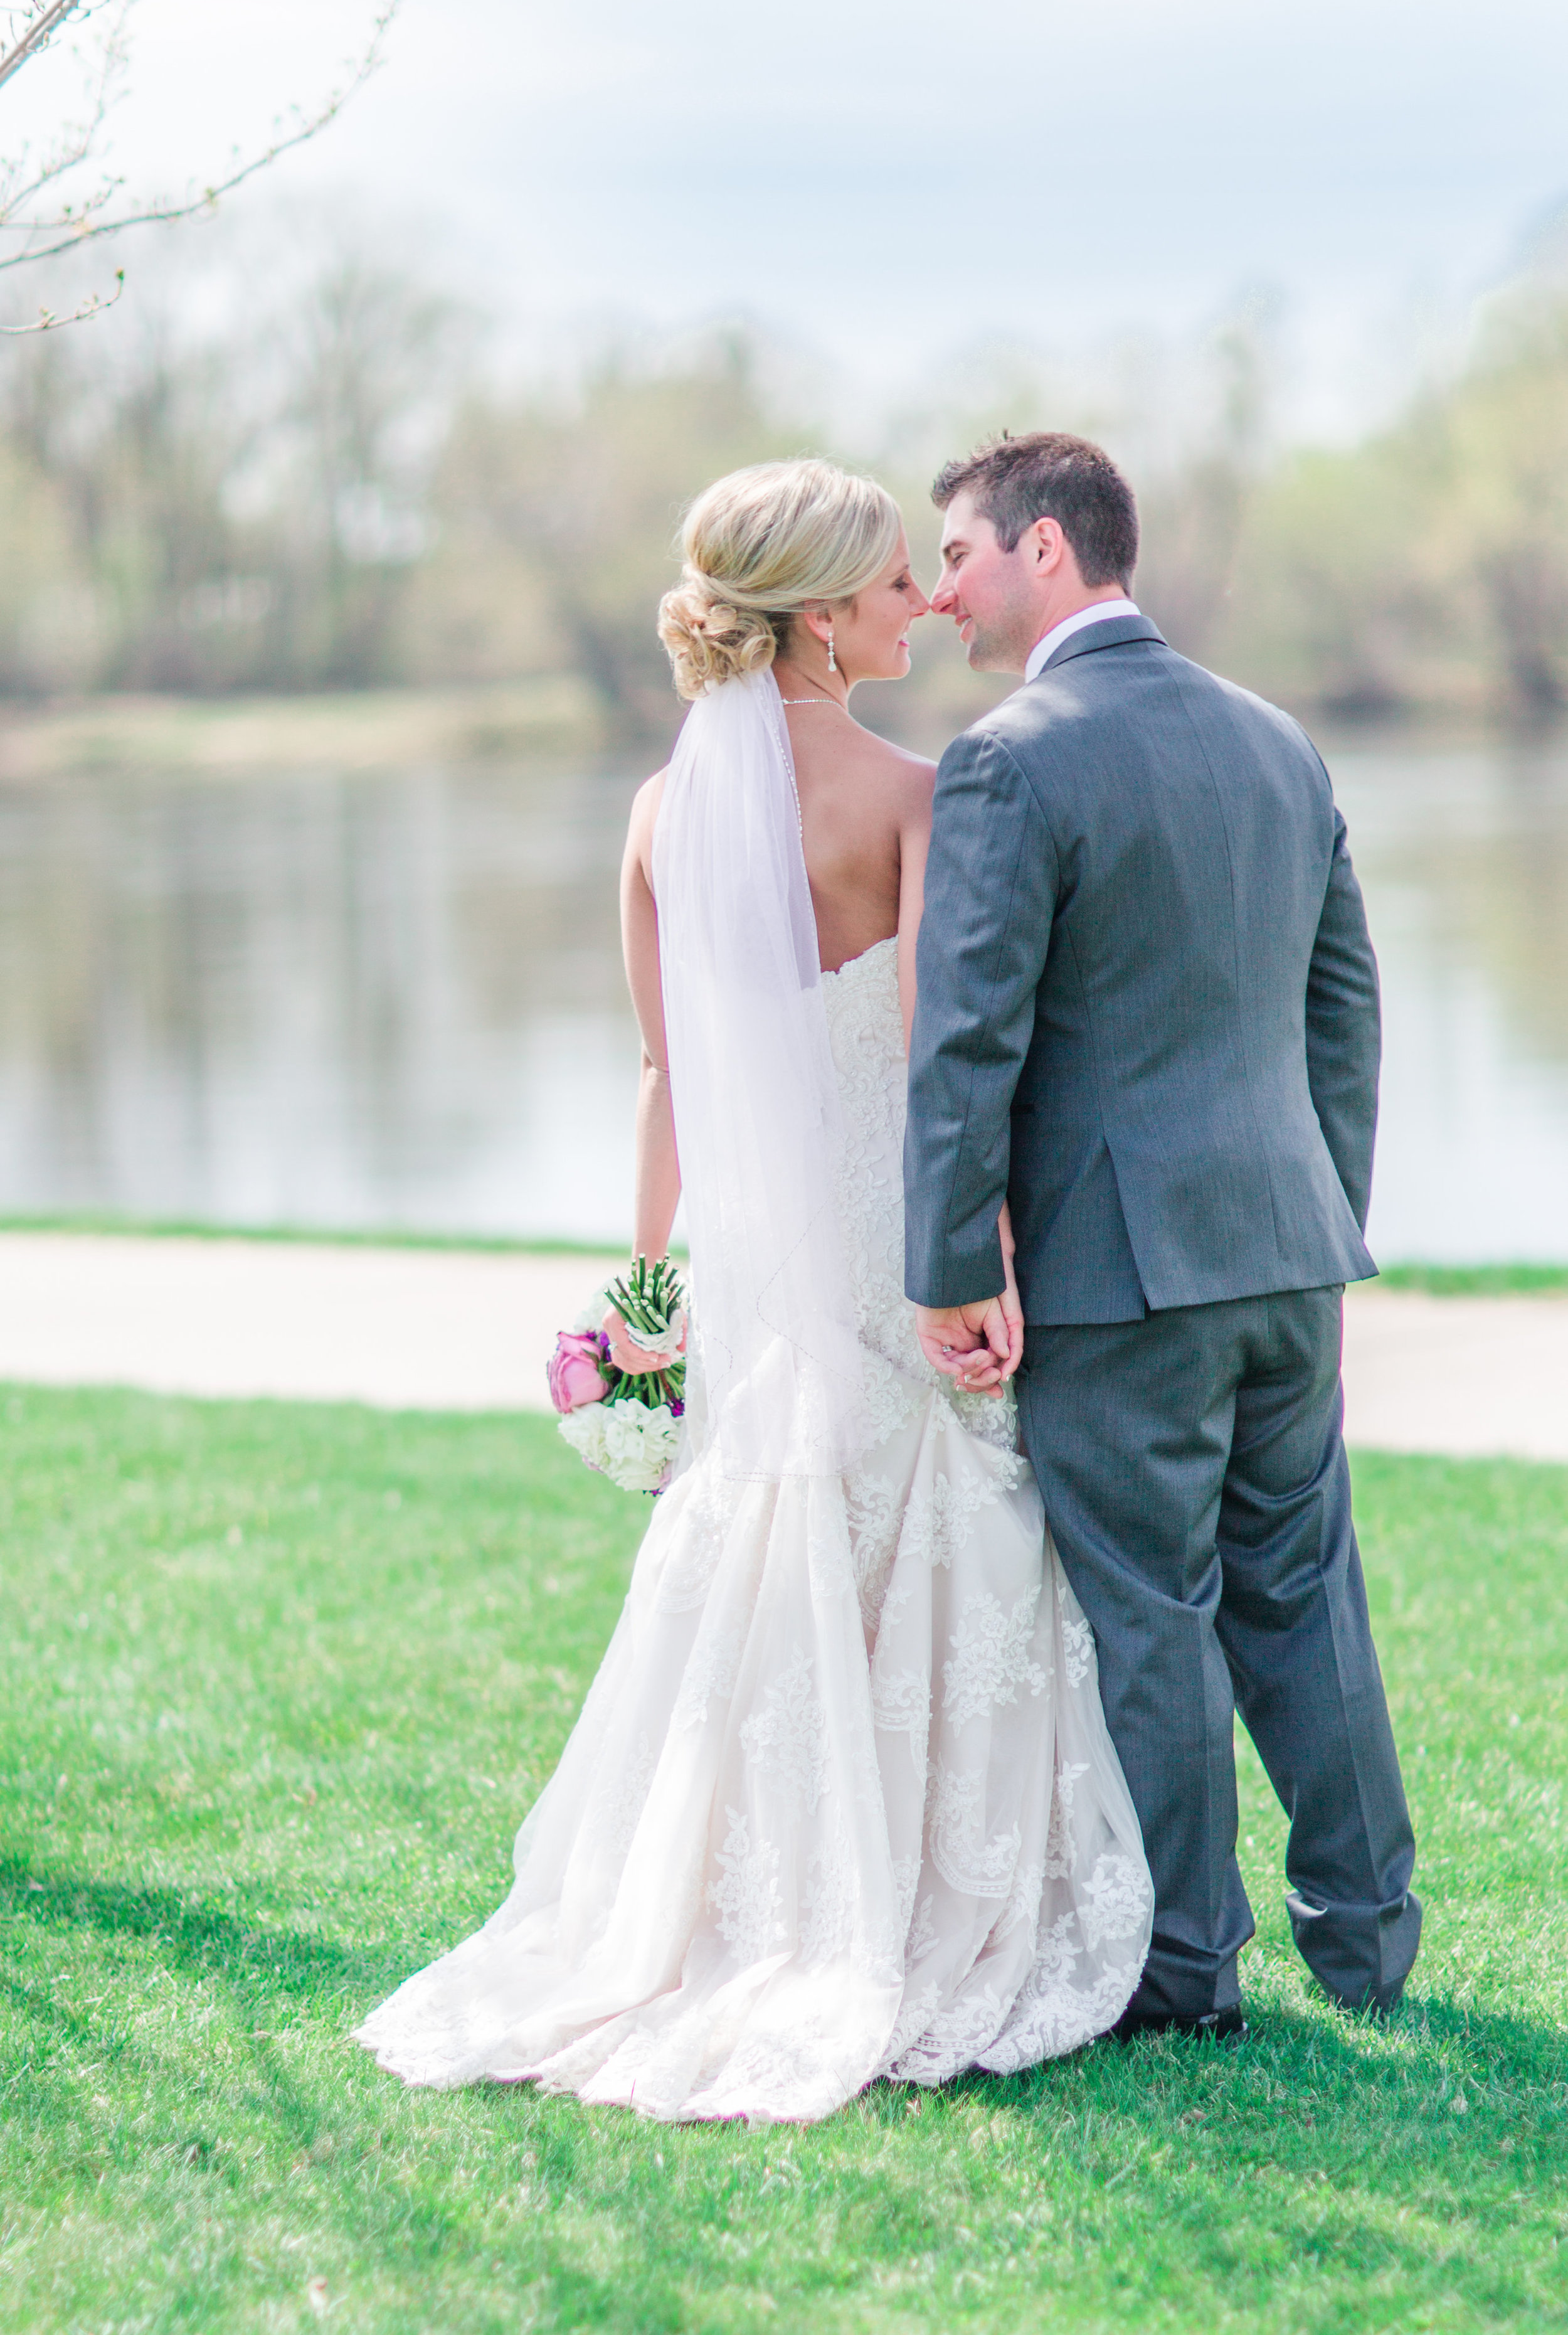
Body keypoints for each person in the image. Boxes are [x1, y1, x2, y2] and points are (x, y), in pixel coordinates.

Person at [354, 459, 1152, 2122]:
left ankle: (725, 1904)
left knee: (764, 1538)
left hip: (758, 1264)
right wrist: (978, 1262)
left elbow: (664, 1071)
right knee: (934, 1538)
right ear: (809, 618)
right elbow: (953, 1071)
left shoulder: (658, 809)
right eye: (883, 583)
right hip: (891, 1237)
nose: (915, 603)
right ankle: (897, 1908)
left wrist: (651, 1285)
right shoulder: (912, 793)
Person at [904, 432, 1420, 2038]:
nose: (942, 592)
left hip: (1120, 1277)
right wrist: (1316, 1199)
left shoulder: (1010, 758)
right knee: (1299, 1589)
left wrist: (945, 1270)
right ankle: (1368, 1931)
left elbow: (967, 1043)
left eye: (961, 557)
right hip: (1283, 1249)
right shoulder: (1278, 743)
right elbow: (1345, 1007)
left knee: (1150, 1612)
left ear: (1045, 548)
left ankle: (1186, 1964)